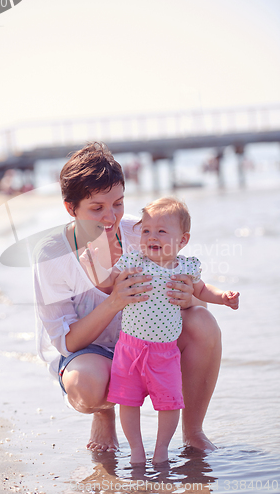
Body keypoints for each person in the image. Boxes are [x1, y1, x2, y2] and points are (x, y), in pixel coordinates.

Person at [33, 141, 222, 454]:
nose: (111, 217)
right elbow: (67, 343)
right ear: (71, 208)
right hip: (91, 353)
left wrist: (189, 296)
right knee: (88, 387)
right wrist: (114, 301)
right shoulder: (52, 255)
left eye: (117, 204)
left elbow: (196, 303)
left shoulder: (143, 232)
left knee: (205, 323)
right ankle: (104, 415)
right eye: (97, 208)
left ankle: (193, 432)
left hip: (149, 343)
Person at [80, 197, 239, 464]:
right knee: (128, 402)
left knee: (170, 403)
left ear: (183, 240)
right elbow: (108, 284)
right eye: (146, 231)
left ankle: (161, 450)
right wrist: (92, 266)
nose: (151, 237)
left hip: (165, 353)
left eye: (161, 232)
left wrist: (223, 296)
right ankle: (137, 451)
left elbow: (201, 290)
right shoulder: (133, 261)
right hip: (129, 350)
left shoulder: (186, 267)